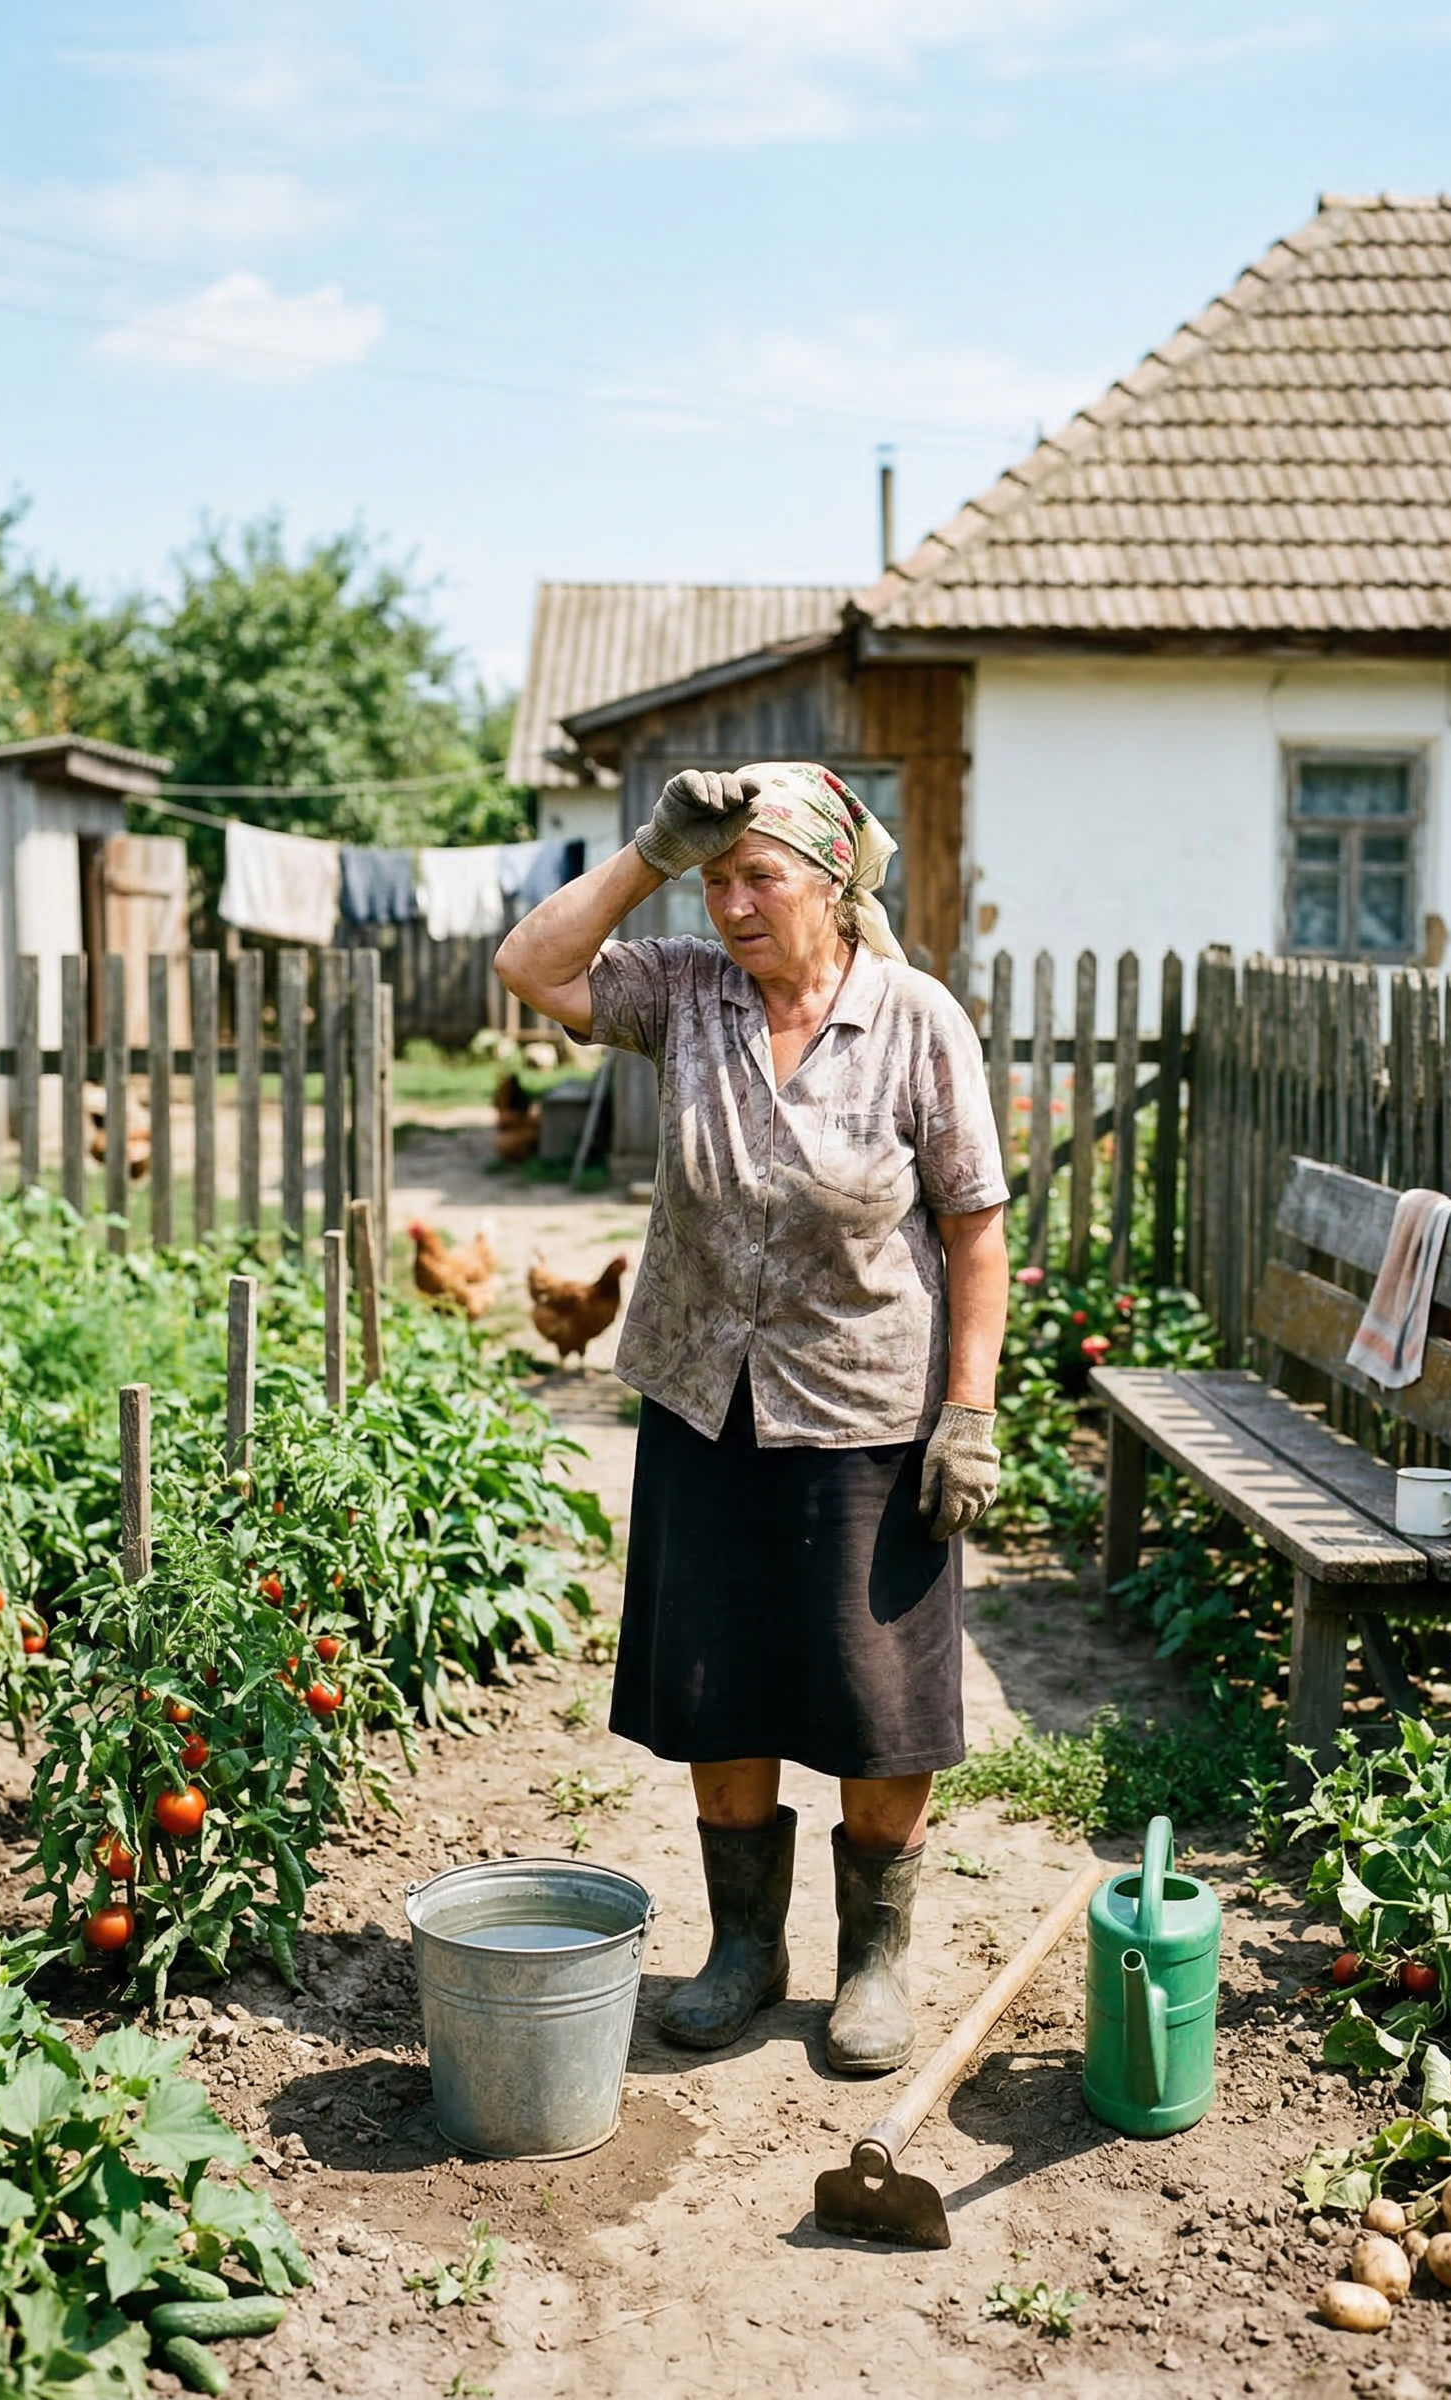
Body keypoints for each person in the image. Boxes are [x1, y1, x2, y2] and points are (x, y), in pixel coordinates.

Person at [495, 762, 1008, 2074]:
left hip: (868, 1408)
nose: (729, 904)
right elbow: (532, 966)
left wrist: (970, 1413)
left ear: (832, 886)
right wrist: (651, 851)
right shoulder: (684, 993)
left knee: (877, 1699)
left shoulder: (915, 1020)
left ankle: (876, 1964)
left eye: (755, 876)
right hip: (701, 1395)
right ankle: (744, 1948)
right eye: (715, 880)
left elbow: (975, 1226)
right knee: (719, 1687)